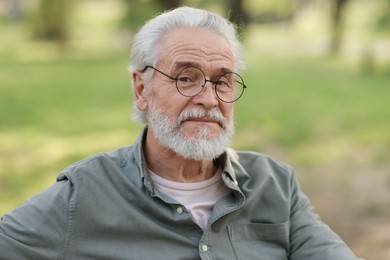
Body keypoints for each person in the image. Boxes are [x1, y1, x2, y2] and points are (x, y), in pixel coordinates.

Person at [0, 6, 358, 260]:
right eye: (186, 77)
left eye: (222, 81)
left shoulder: (276, 185)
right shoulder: (85, 194)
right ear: (142, 90)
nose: (208, 99)